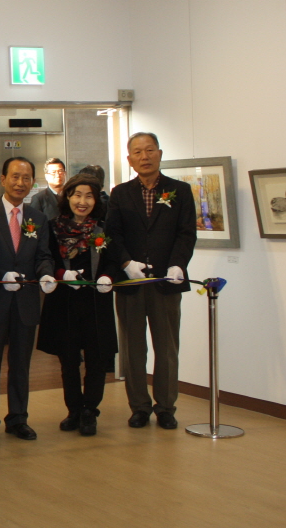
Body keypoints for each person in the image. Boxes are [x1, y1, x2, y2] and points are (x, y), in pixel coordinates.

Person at [105, 132, 196, 429]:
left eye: (149, 150)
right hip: (131, 283)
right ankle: (139, 407)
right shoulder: (120, 193)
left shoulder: (180, 190)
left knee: (167, 347)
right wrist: (125, 263)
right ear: (129, 159)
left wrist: (178, 265)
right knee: (133, 347)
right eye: (137, 152)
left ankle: (166, 407)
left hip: (166, 282)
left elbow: (186, 233)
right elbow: (112, 234)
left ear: (160, 153)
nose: (144, 156)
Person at [0, 157, 55, 442]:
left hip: (26, 303)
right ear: (3, 179)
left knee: (21, 365)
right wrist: (1, 275)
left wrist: (46, 274)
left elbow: (43, 255)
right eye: (15, 176)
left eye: (26, 178)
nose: (20, 183)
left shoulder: (38, 218)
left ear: (32, 182)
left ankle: (18, 419)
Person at [36, 173, 119, 436]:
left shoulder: (103, 228)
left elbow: (114, 260)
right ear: (68, 197)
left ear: (96, 200)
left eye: (89, 196)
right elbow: (46, 258)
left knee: (97, 360)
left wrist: (108, 277)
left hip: (95, 302)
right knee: (68, 361)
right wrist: (61, 275)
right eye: (77, 195)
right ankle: (73, 410)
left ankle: (90, 411)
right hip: (64, 302)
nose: (82, 202)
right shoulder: (52, 227)